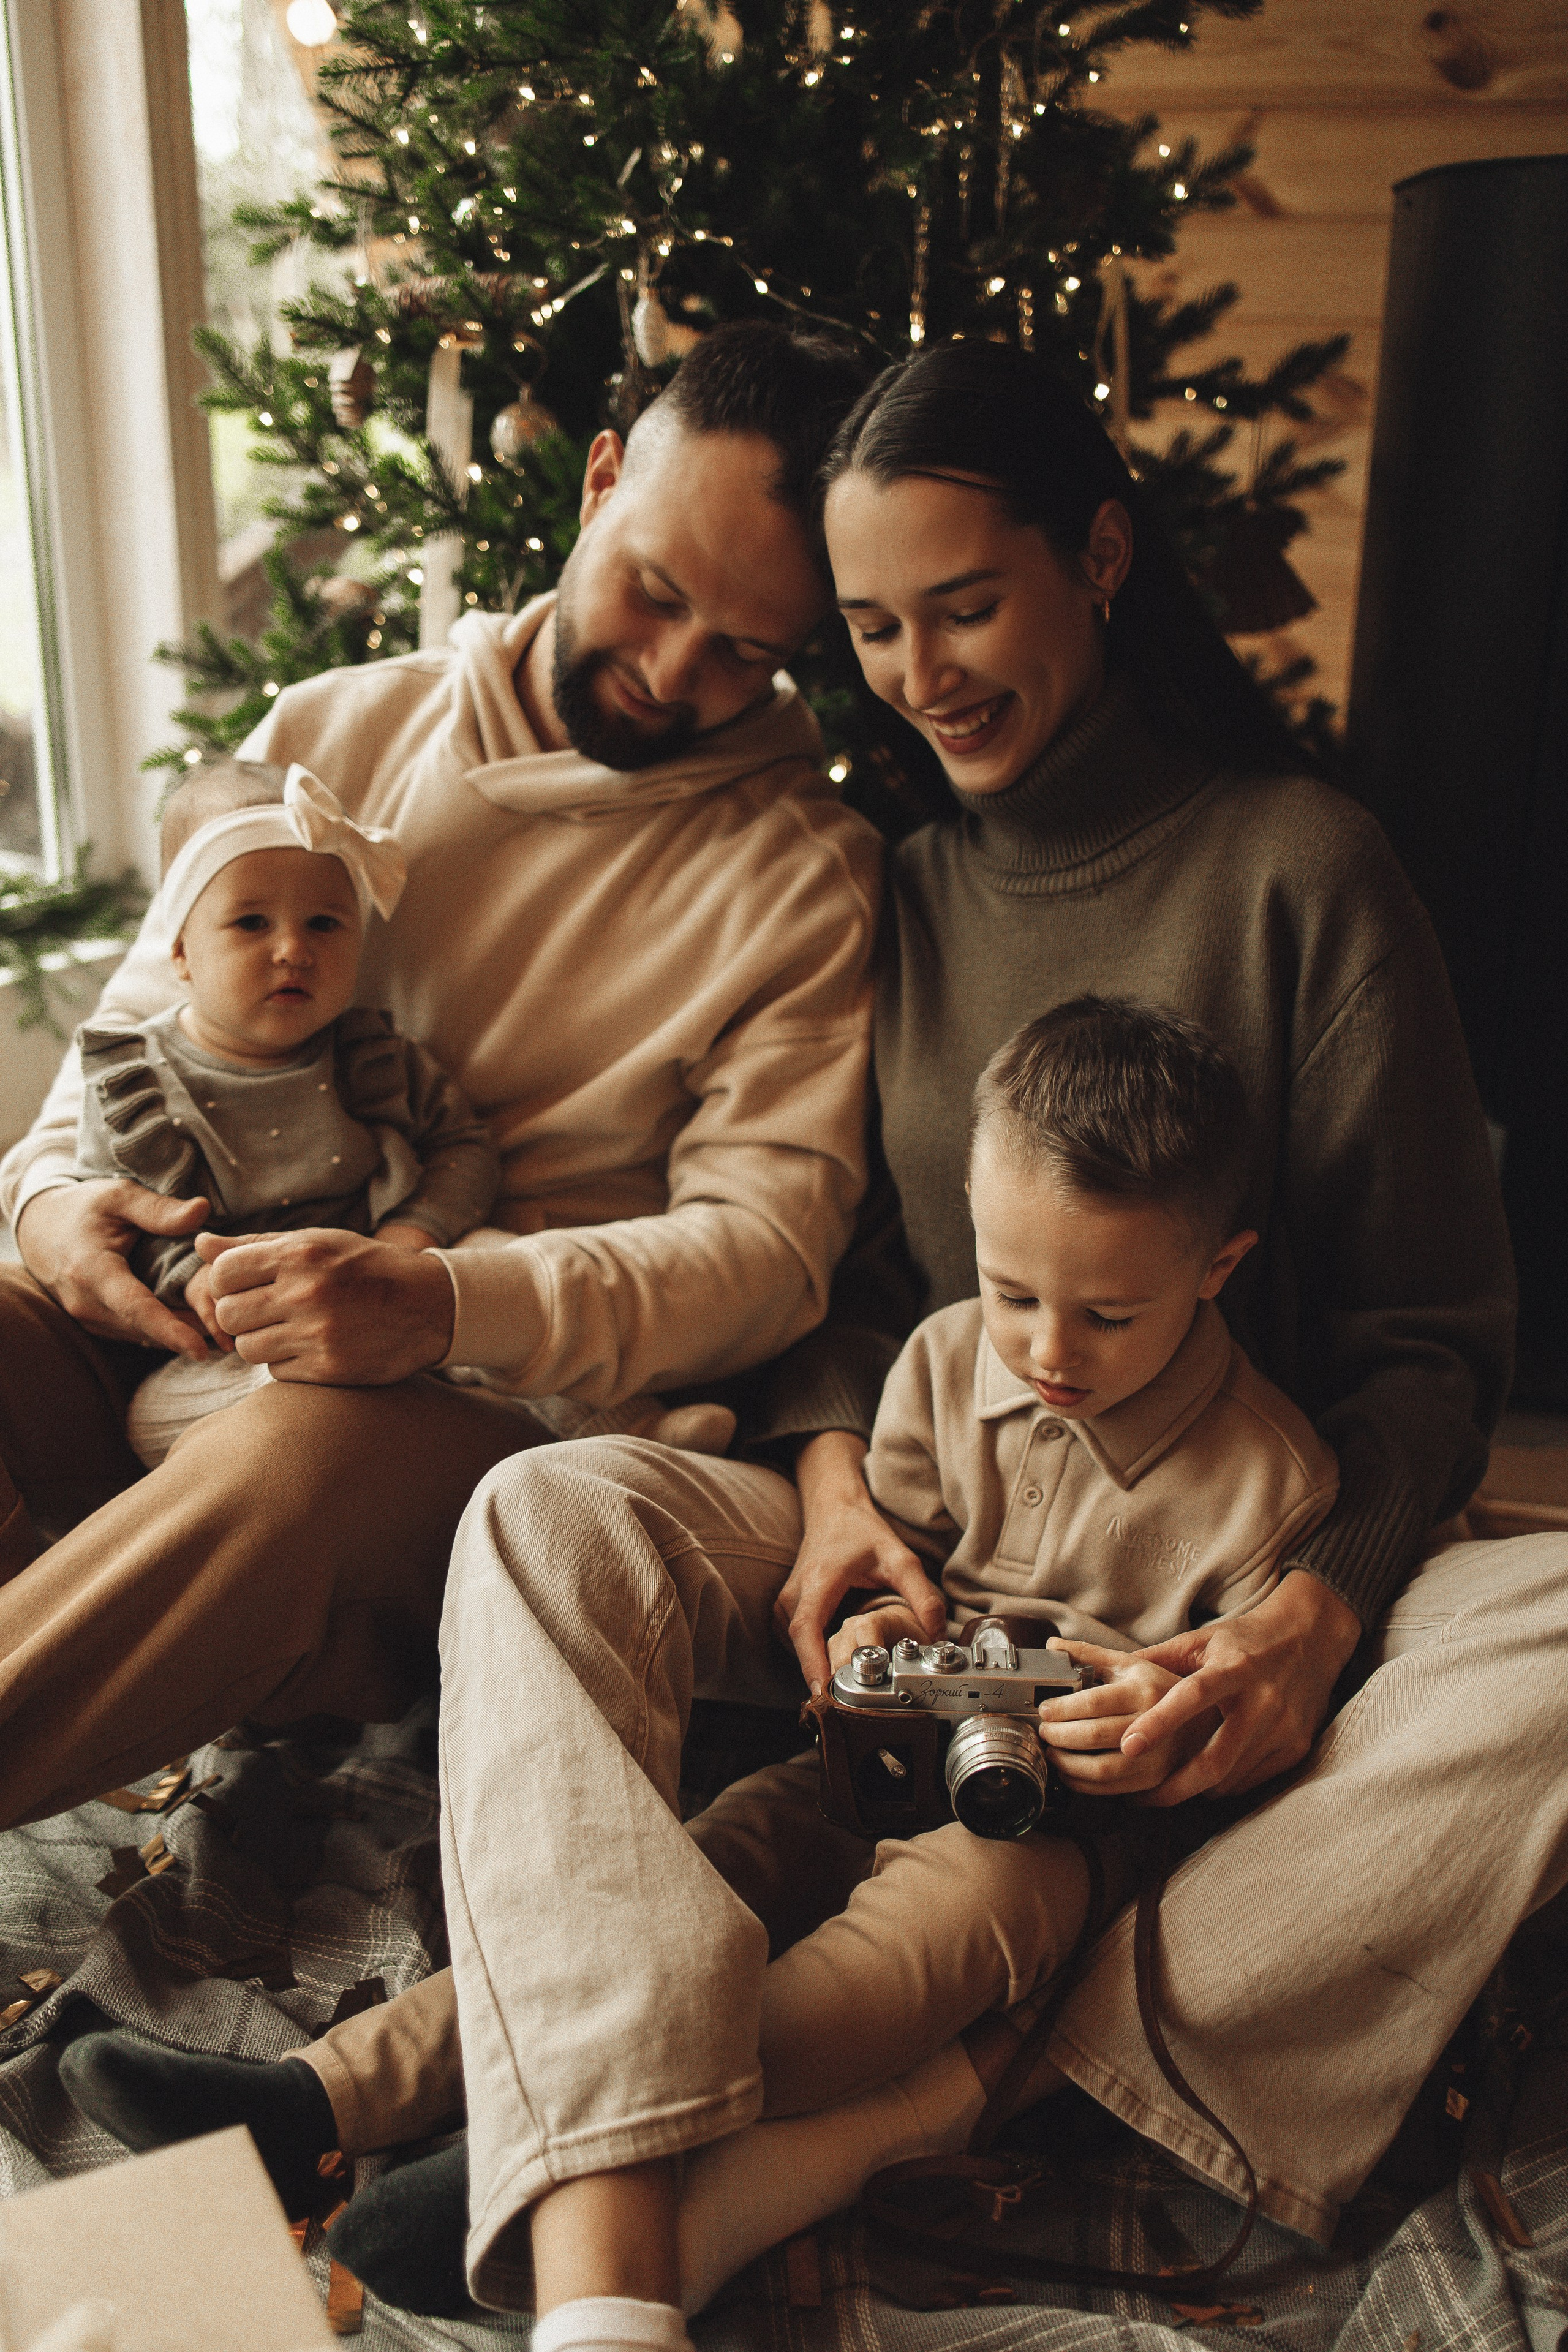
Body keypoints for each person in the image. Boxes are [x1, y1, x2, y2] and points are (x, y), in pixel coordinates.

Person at [53, 345, 1567, 2352]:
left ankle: (935, 2094)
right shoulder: (900, 881)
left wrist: (1304, 1620)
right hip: (928, 1528)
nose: (921, 674)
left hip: (1222, 1563)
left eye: (967, 606)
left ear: (1102, 560)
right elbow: (843, 1281)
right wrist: (845, 1499)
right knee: (548, 1511)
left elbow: (1431, 1344)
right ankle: (636, 2227)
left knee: (1555, 1632)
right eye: (870, 629)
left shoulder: (1301, 868)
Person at [61, 995, 1345, 2314]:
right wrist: (876, 1631)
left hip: (1039, 1842)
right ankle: (316, 2097)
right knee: (687, 1886)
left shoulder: (1272, 1481)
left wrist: (1137, 1734)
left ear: (1218, 1268)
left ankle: (563, 2149)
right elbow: (894, 1557)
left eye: (1108, 1316)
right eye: (1012, 1292)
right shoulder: (948, 1359)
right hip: (871, 1758)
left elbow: (1244, 1747)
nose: (1048, 1351)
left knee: (866, 1989)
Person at [0, 320, 880, 1825]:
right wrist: (50, 1207)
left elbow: (766, 1257)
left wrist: (443, 1300)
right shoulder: (331, 733)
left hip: (479, 1407)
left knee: (304, 1452)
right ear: (597, 482)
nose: (671, 671)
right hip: (191, 1318)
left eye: (746, 650)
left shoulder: (802, 878)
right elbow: (116, 1056)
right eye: (655, 591)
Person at [77, 760, 498, 1467]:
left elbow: (465, 1148)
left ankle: (616, 1424)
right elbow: (119, 1222)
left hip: (394, 1293)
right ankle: (389, 1414)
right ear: (181, 952)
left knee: (497, 1269)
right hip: (245, 1340)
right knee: (154, 1419)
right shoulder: (135, 1085)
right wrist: (192, 1281)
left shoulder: (374, 1055)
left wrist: (412, 1235)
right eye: (251, 922)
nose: (294, 951)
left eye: (325, 923)